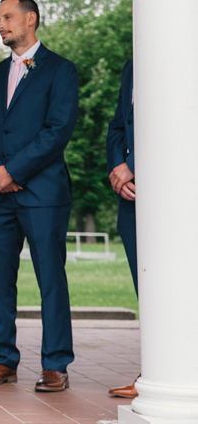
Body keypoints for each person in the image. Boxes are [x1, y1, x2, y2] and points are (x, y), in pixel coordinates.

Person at [0, 0, 79, 393]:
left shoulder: (61, 71)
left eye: (8, 17)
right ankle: (3, 360)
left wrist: (13, 170)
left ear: (30, 19)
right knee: (0, 281)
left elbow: (57, 130)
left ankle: (55, 364)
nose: (1, 25)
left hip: (44, 193)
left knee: (51, 279)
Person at [106, 59, 139, 398]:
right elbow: (119, 123)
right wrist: (118, 166)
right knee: (147, 284)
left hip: (175, 190)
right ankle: (158, 369)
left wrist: (135, 166)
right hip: (130, 196)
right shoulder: (131, 64)